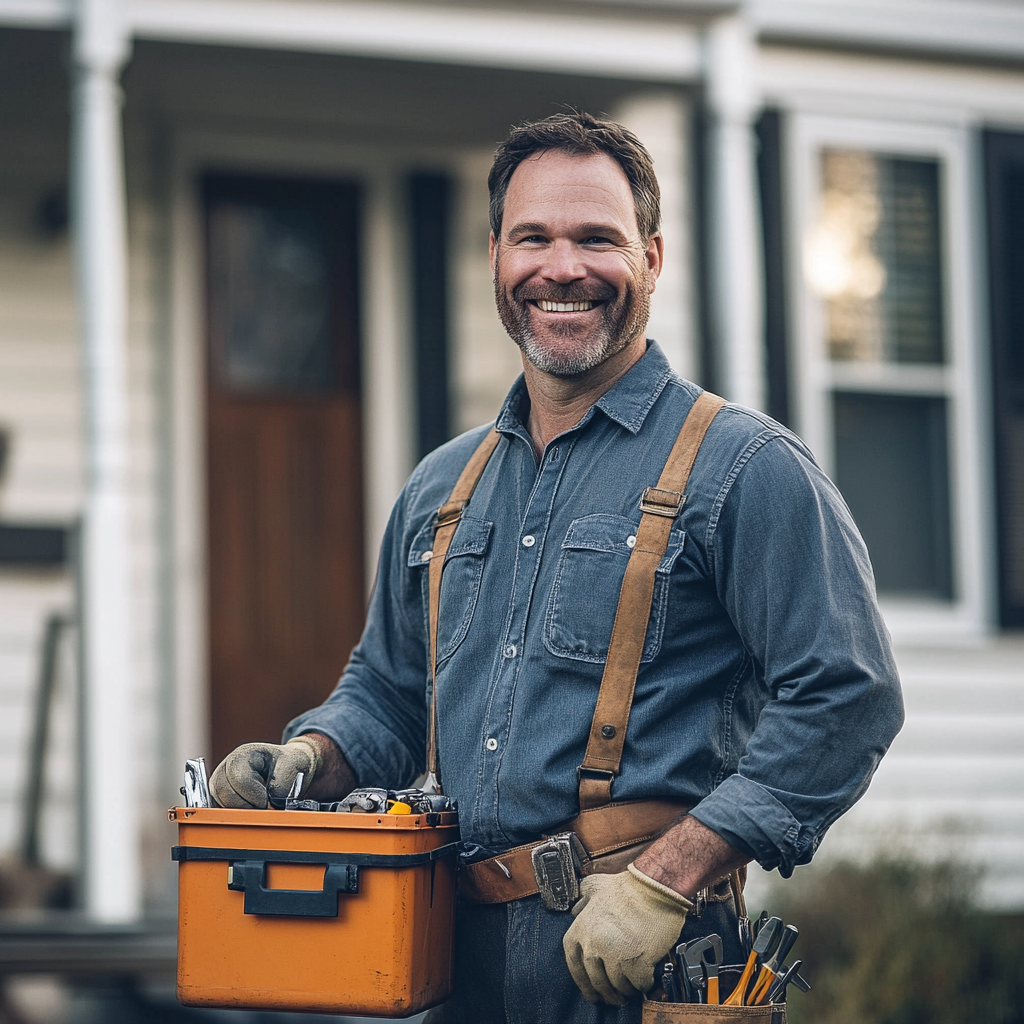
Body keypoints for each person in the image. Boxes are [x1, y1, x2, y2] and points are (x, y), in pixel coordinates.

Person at [210, 111, 904, 1023]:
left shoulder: (744, 469)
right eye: (533, 237)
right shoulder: (439, 489)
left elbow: (846, 696)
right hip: (456, 963)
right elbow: (387, 691)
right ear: (495, 255)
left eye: (597, 239)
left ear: (652, 260)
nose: (562, 268)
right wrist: (309, 756)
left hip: (648, 964)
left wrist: (668, 878)